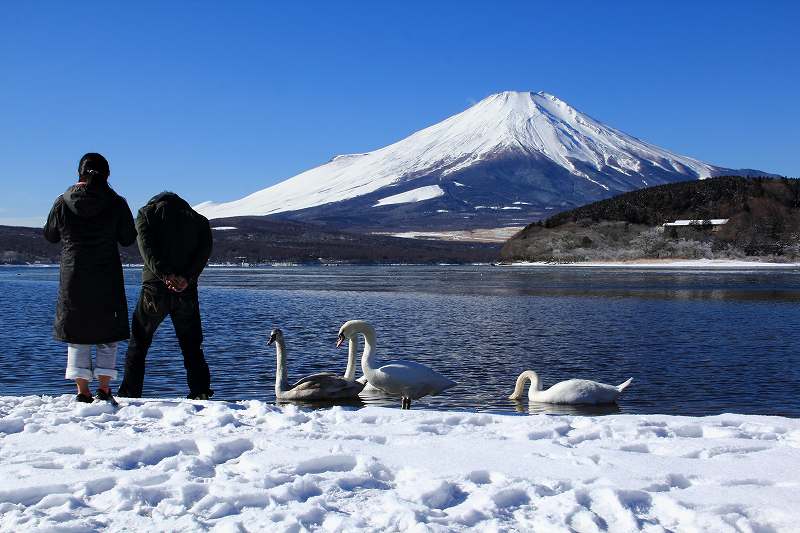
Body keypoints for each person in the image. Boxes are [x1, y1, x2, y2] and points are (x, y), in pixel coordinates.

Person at [44, 153, 137, 404]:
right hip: (107, 274)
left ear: (79, 173)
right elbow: (128, 238)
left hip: (73, 274)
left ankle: (82, 392)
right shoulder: (116, 202)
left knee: (77, 334)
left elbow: (50, 235)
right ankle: (105, 390)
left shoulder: (62, 201)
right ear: (107, 174)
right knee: (108, 334)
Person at [117, 192, 214, 400]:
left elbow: (146, 248)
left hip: (154, 288)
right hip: (186, 289)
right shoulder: (198, 220)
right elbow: (204, 252)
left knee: (139, 342)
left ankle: (130, 393)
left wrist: (164, 274)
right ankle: (201, 391)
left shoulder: (145, 214)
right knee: (191, 345)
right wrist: (187, 277)